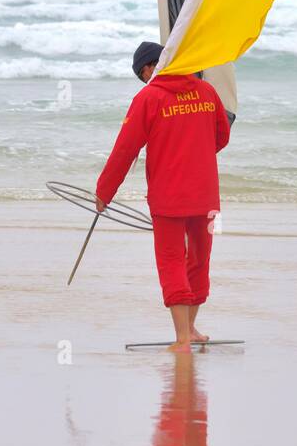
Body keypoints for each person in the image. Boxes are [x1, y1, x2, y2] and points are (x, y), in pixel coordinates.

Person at [95, 40, 231, 353]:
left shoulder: (149, 97)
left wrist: (104, 192)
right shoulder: (207, 92)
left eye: (143, 75)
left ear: (147, 68)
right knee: (199, 259)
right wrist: (194, 153)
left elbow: (125, 150)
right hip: (205, 195)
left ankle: (182, 338)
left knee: (171, 261)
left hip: (168, 198)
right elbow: (221, 136)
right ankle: (192, 329)